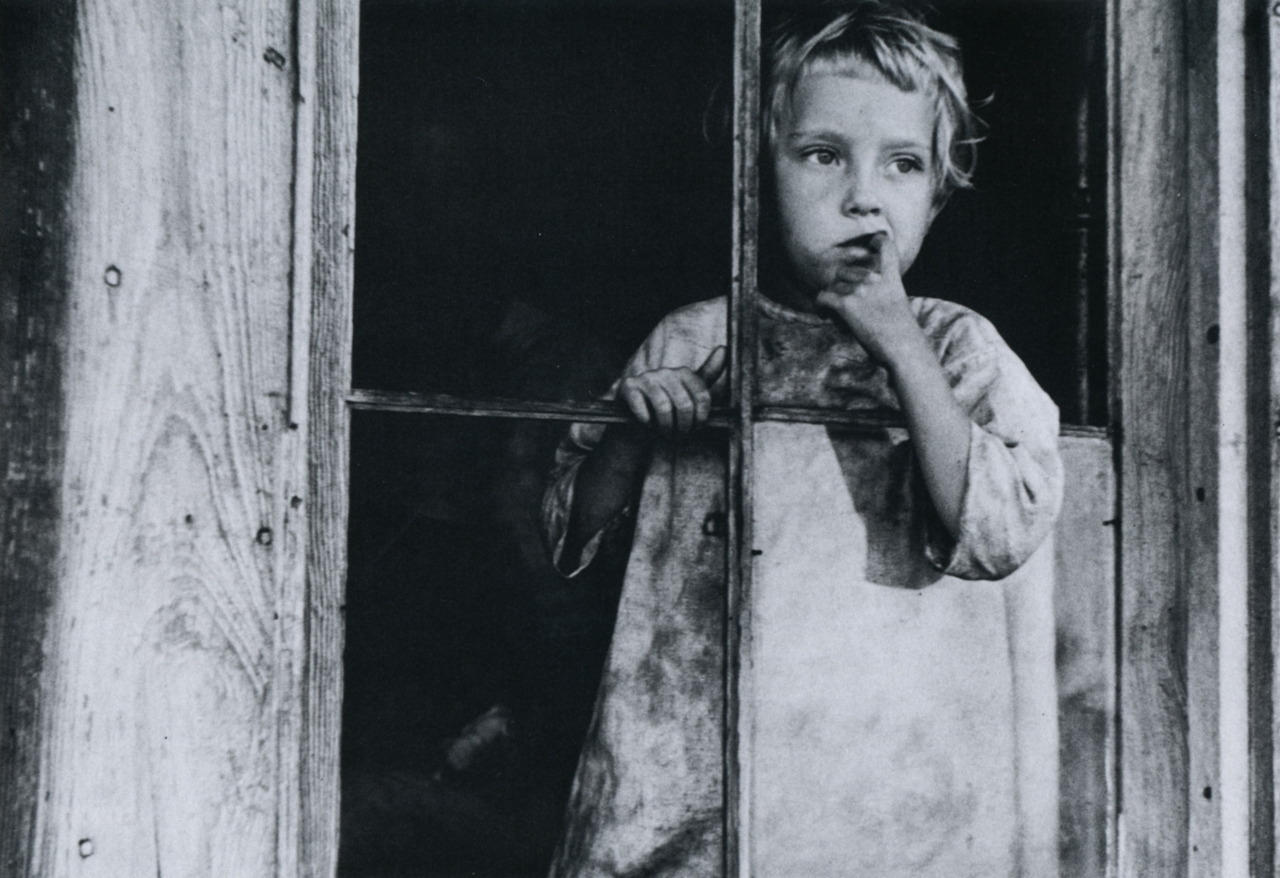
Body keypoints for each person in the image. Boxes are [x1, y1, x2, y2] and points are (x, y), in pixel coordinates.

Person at [541, 2, 1064, 875]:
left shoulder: (956, 347)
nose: (862, 194)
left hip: (879, 790)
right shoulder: (695, 338)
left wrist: (899, 345)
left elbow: (1001, 530)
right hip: (687, 770)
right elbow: (567, 543)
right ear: (761, 172)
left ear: (937, 191)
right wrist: (633, 434)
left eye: (901, 164)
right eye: (823, 155)